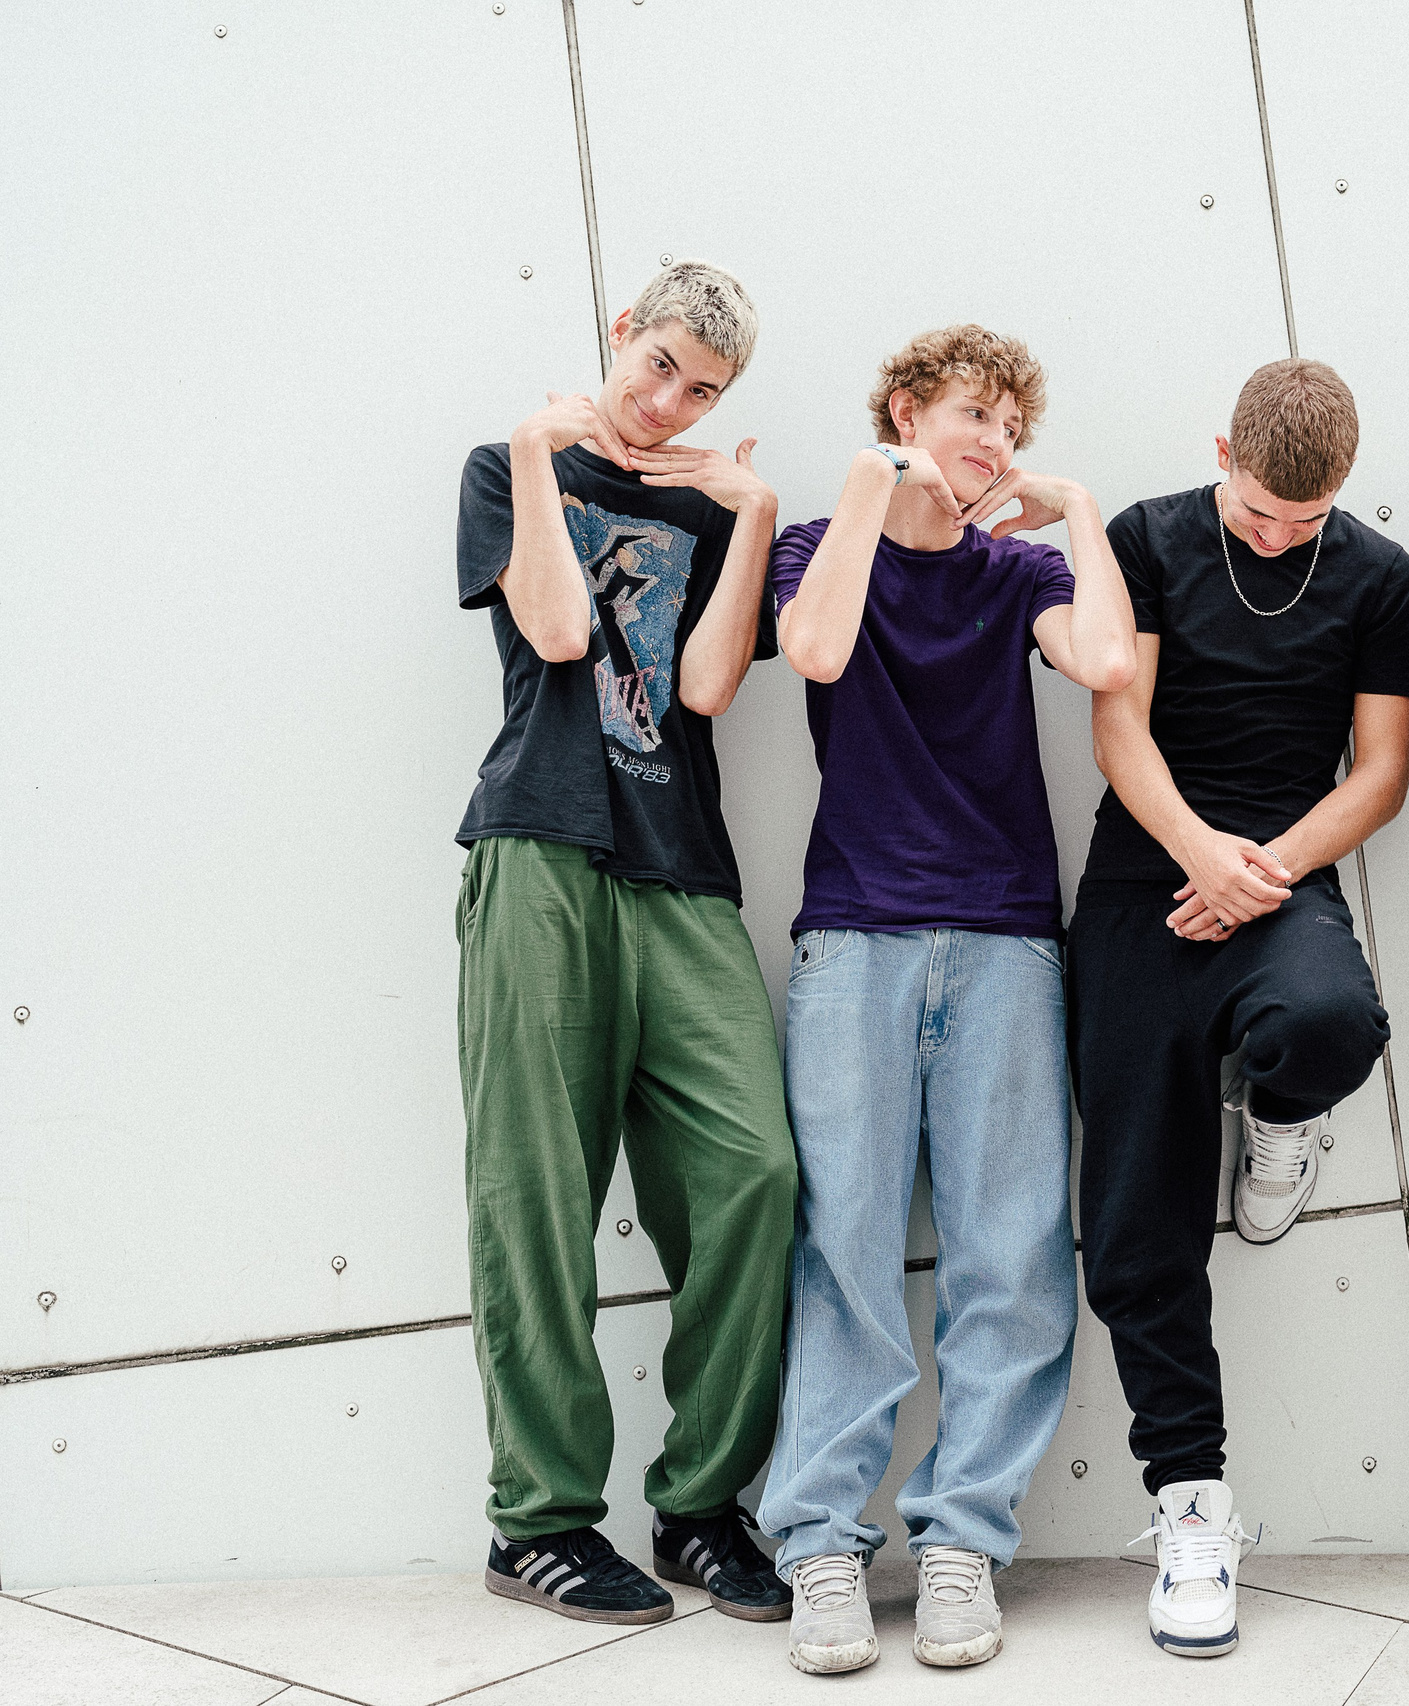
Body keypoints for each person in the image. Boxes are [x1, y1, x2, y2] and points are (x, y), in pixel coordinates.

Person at [753, 325, 1137, 1675]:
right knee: (843, 1248)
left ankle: (964, 1537)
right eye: (975, 416)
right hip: (854, 936)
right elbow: (811, 648)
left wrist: (1077, 511)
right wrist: (875, 485)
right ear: (910, 409)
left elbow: (1102, 661)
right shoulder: (820, 543)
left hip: (1005, 940)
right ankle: (818, 1546)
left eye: (1013, 431)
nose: (996, 446)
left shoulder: (1019, 564)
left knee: (1012, 1255)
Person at [452, 259, 796, 1627]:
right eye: (655, 368)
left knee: (758, 1176)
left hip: (683, 872)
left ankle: (702, 1503)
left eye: (700, 390)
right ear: (620, 334)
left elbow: (705, 687)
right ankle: (537, 1519)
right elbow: (550, 626)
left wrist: (755, 507)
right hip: (540, 849)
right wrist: (544, 450)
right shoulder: (503, 465)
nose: (667, 405)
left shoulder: (713, 510)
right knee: (533, 1191)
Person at [1072, 358, 1409, 1657]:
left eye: (1308, 518)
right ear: (1220, 448)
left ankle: (1276, 1108)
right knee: (1133, 1230)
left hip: (1281, 883)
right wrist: (1197, 857)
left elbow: (1382, 772)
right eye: (1262, 511)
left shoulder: (1379, 577)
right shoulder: (1148, 539)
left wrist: (1257, 873)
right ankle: (1194, 1508)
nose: (1282, 535)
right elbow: (1119, 730)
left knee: (1333, 1024)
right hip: (1140, 889)